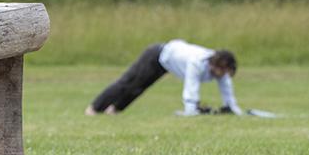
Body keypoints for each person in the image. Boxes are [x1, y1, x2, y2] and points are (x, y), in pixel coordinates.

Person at [86, 39, 241, 116]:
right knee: (127, 83)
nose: (225, 75)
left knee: (139, 88)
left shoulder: (220, 69)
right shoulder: (197, 62)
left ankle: (114, 110)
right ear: (218, 65)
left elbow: (226, 88)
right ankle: (93, 108)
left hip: (165, 64)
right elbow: (191, 86)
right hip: (156, 55)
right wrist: (191, 109)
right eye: (224, 71)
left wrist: (232, 109)